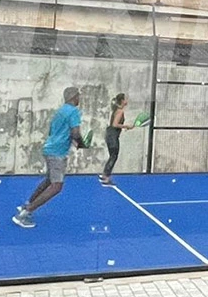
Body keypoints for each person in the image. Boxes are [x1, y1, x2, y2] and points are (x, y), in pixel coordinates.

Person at [13, 86, 87, 229]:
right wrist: (81, 144)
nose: (79, 98)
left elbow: (54, 131)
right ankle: (25, 213)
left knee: (49, 180)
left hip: (50, 148)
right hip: (57, 152)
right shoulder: (73, 111)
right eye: (78, 96)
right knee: (56, 186)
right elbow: (75, 133)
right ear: (73, 97)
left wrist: (72, 141)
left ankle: (27, 204)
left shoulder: (60, 111)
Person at [99, 93, 135, 185]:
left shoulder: (117, 110)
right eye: (126, 98)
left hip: (110, 134)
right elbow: (115, 124)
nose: (127, 100)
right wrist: (126, 126)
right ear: (122, 101)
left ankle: (105, 175)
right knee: (114, 156)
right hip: (112, 135)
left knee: (112, 156)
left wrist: (124, 127)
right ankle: (106, 177)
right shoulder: (120, 111)